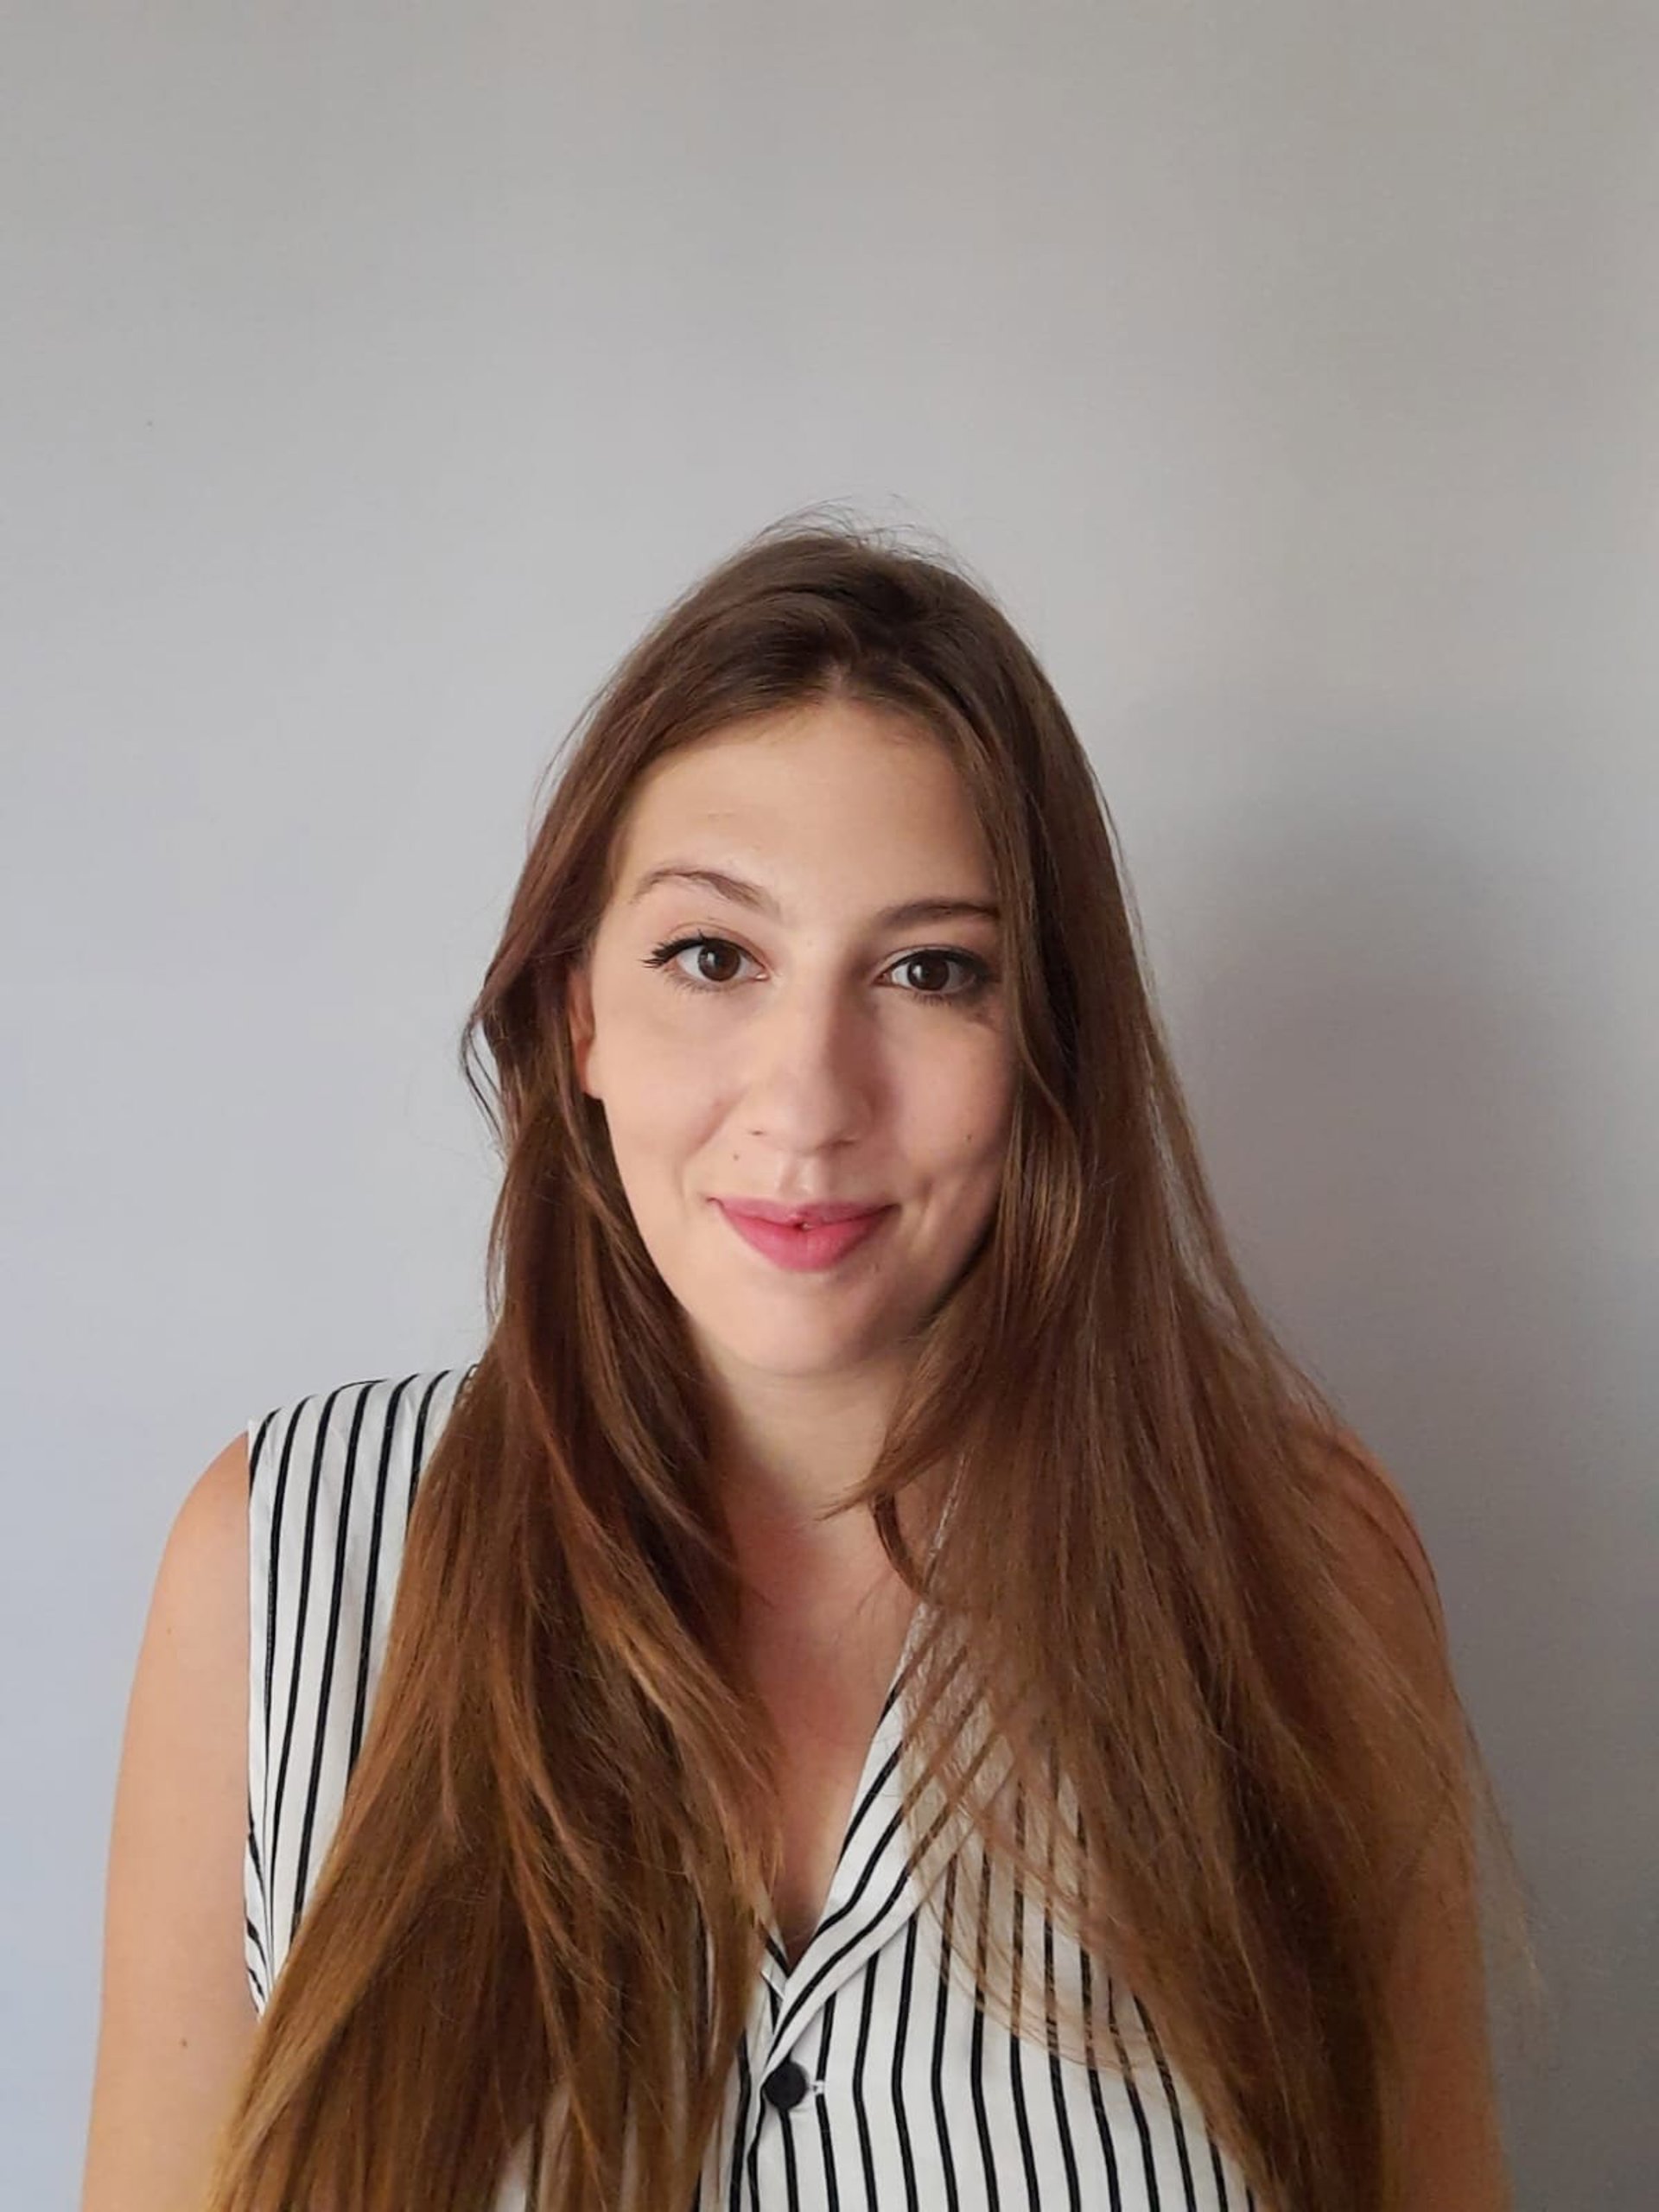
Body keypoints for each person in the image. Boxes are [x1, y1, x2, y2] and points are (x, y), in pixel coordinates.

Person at [80, 514, 1531, 2212]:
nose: (809, 1098)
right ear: (579, 1013)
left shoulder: (1304, 1567)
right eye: (715, 956)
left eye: (930, 971)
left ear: (1046, 1043)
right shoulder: (279, 1561)